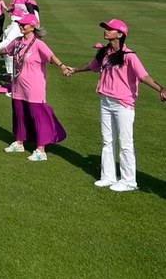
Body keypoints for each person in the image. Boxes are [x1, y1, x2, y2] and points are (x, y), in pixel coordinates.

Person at [62, 18, 166, 191]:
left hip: (123, 104)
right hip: (105, 100)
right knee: (107, 140)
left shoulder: (129, 56)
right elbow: (92, 66)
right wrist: (74, 69)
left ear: (120, 34)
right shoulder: (104, 52)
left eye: (110, 29)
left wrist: (161, 88)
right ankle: (108, 176)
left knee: (125, 142)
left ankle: (128, 181)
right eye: (105, 28)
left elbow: (143, 76)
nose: (106, 31)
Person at [0, 13, 68, 161]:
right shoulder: (18, 41)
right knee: (19, 113)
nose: (21, 26)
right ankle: (19, 142)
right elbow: (7, 50)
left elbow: (51, 57)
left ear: (32, 27)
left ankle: (41, 150)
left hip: (34, 87)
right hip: (18, 85)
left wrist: (62, 66)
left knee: (37, 116)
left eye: (24, 24)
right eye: (20, 24)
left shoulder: (38, 44)